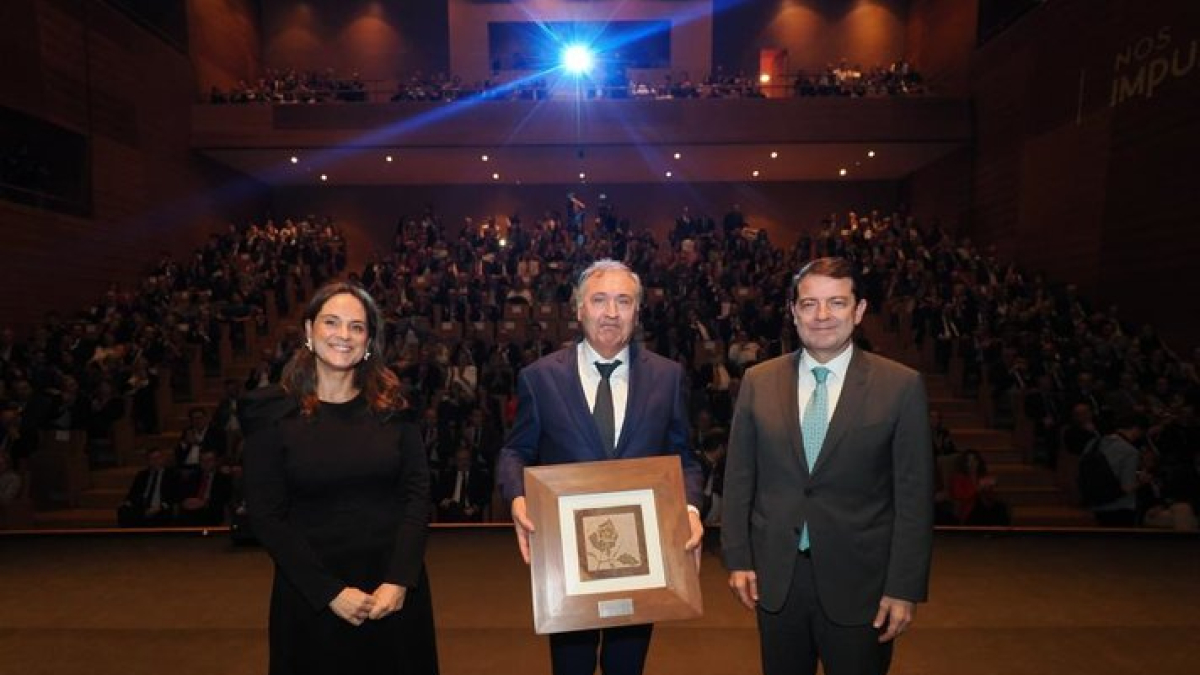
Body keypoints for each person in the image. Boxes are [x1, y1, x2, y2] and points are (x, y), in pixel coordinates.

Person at [722, 257, 934, 675]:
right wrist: (738, 559)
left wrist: (904, 588)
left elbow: (914, 496)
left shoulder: (901, 386)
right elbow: (740, 478)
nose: (822, 316)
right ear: (793, 311)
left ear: (859, 311)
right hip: (777, 580)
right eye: (809, 304)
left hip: (863, 585)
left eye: (836, 303)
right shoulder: (758, 381)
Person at [498, 259, 705, 675]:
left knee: (626, 666)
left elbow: (685, 459)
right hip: (568, 559)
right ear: (579, 310)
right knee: (571, 666)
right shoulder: (539, 378)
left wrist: (690, 510)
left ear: (637, 311)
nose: (611, 312)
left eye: (623, 301)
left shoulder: (669, 377)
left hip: (643, 558)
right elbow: (514, 452)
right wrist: (517, 496)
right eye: (599, 300)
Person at [242, 281, 438, 675]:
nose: (343, 335)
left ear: (369, 342)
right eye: (332, 322)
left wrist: (400, 579)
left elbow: (417, 496)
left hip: (392, 591)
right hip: (311, 594)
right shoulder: (270, 414)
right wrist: (328, 591)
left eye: (356, 327)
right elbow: (266, 515)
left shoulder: (395, 409)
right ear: (310, 331)